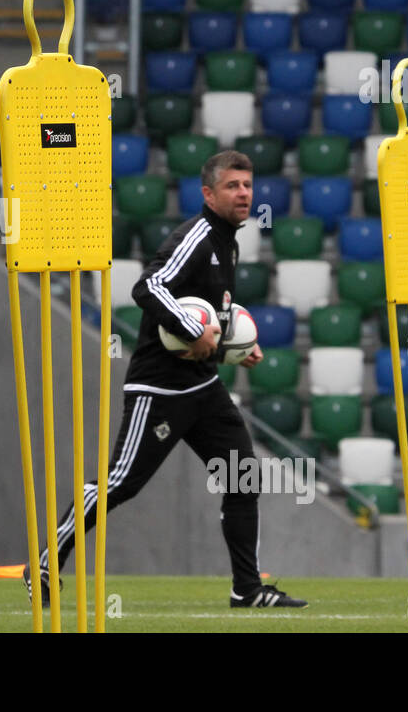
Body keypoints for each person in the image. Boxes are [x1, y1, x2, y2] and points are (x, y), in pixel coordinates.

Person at [26, 150, 308, 609]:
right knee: (121, 483)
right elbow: (148, 286)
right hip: (158, 389)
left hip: (202, 385)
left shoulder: (229, 242)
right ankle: (44, 561)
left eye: (247, 186)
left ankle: (247, 589)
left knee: (241, 477)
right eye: (233, 186)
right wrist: (195, 329)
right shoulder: (195, 237)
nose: (244, 194)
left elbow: (210, 314)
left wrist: (233, 347)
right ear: (208, 193)